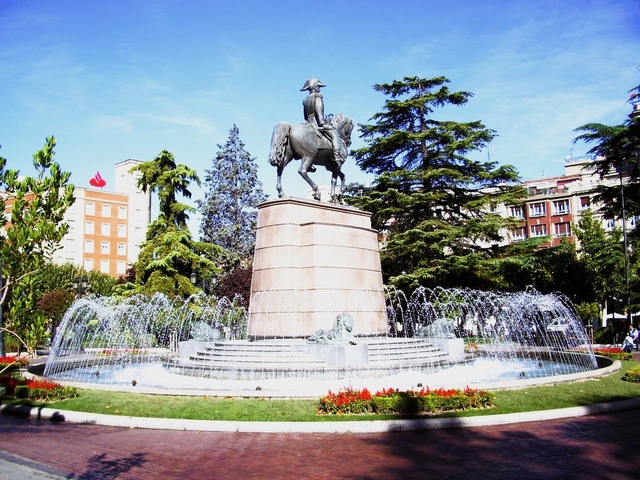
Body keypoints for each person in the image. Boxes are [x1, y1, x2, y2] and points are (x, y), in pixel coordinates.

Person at [300, 78, 342, 164]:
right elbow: (318, 112)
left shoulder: (306, 100)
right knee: (334, 136)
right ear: (314, 87)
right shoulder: (317, 97)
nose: (319, 88)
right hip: (316, 124)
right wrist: (323, 123)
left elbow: (305, 116)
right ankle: (337, 156)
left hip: (308, 124)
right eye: (319, 86)